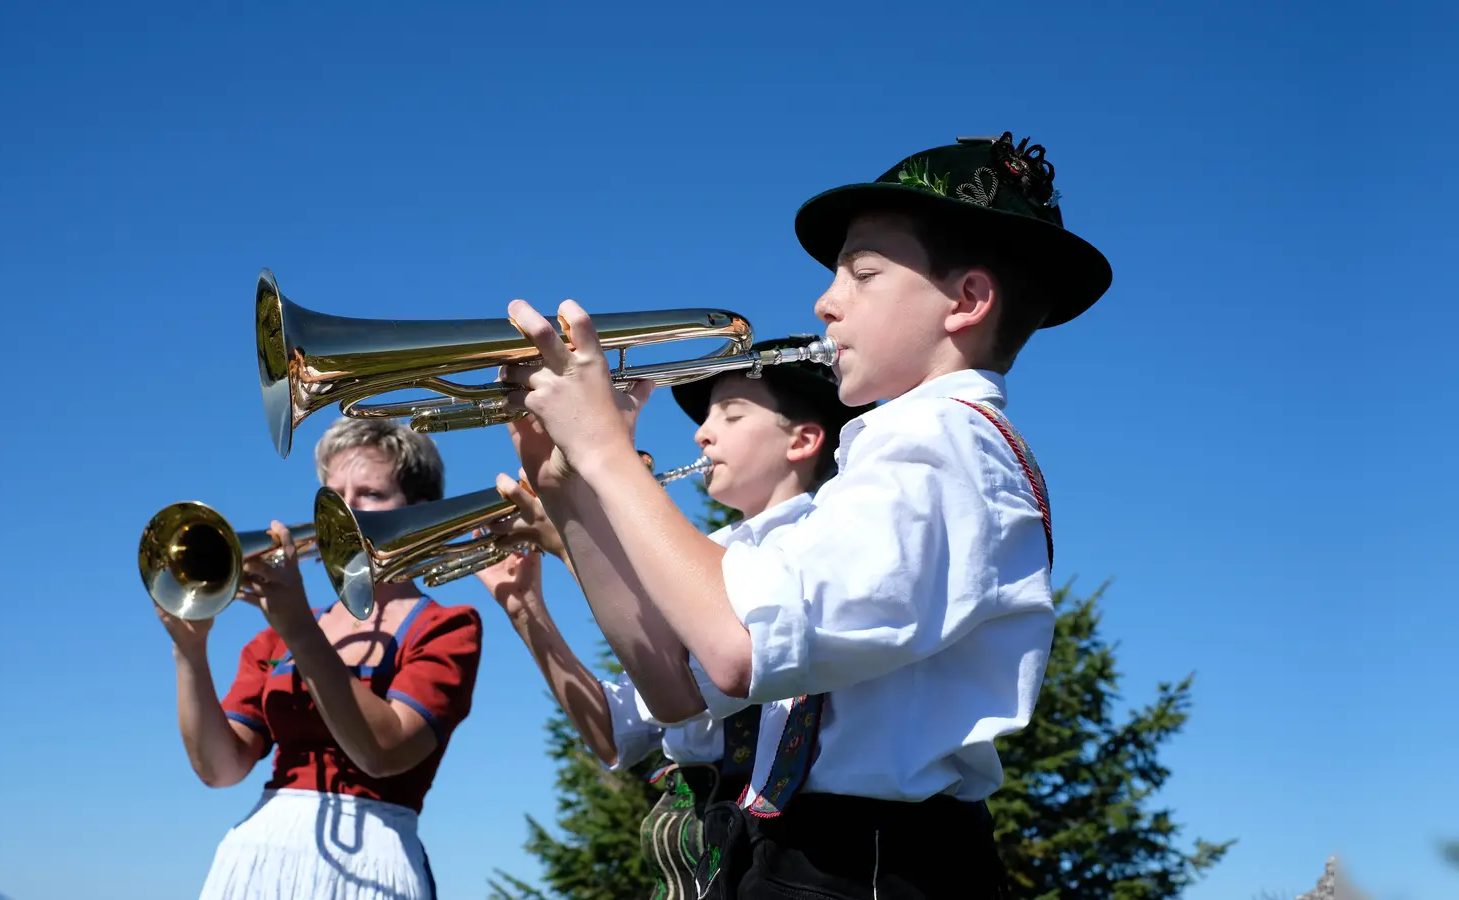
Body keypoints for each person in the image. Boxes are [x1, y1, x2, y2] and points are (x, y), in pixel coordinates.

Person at [494, 131, 1112, 898]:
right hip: (808, 848)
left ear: (966, 302)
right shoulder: (896, 456)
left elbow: (739, 647)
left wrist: (607, 453)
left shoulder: (947, 444)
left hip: (876, 861)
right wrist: (566, 480)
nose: (825, 301)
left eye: (863, 273)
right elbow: (677, 688)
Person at [473, 338, 872, 900]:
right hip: (698, 849)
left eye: (732, 415)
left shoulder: (825, 539)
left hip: (812, 853)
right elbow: (616, 733)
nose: (702, 434)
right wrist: (526, 608)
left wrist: (582, 514)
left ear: (803, 440)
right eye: (705, 418)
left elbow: (695, 682)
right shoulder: (707, 554)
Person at [153, 416, 483, 900]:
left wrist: (299, 629)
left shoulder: (446, 627)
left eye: (369, 494)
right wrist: (190, 650)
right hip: (260, 852)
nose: (343, 513)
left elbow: (383, 752)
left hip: (373, 858)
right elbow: (219, 769)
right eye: (333, 497)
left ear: (420, 513)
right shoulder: (276, 638)